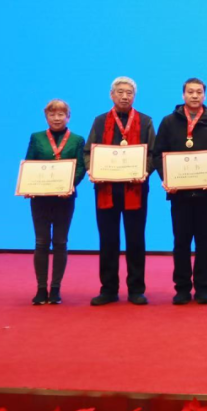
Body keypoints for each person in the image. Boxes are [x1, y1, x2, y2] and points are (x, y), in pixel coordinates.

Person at [153, 78, 207, 305]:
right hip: (179, 194)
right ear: (183, 95)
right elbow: (158, 154)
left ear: (204, 96)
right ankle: (182, 288)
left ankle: (203, 288)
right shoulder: (169, 122)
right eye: (190, 92)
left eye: (199, 92)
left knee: (205, 242)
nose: (195, 96)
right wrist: (167, 178)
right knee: (181, 242)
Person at [84, 77, 156, 306]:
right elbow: (88, 152)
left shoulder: (145, 121)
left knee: (136, 240)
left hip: (135, 189)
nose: (125, 96)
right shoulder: (99, 121)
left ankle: (136, 289)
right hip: (106, 189)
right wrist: (91, 169)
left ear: (134, 96)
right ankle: (108, 289)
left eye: (129, 93)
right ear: (111, 95)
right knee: (108, 240)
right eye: (120, 92)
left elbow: (153, 153)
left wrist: (144, 171)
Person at [24, 99, 85, 305]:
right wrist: (27, 185)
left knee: (60, 242)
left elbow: (81, 167)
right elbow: (29, 163)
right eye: (52, 114)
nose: (57, 118)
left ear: (68, 117)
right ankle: (41, 289)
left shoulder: (77, 140)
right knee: (41, 243)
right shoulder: (36, 137)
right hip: (40, 199)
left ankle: (56, 289)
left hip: (65, 199)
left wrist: (69, 185)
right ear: (46, 117)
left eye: (61, 114)